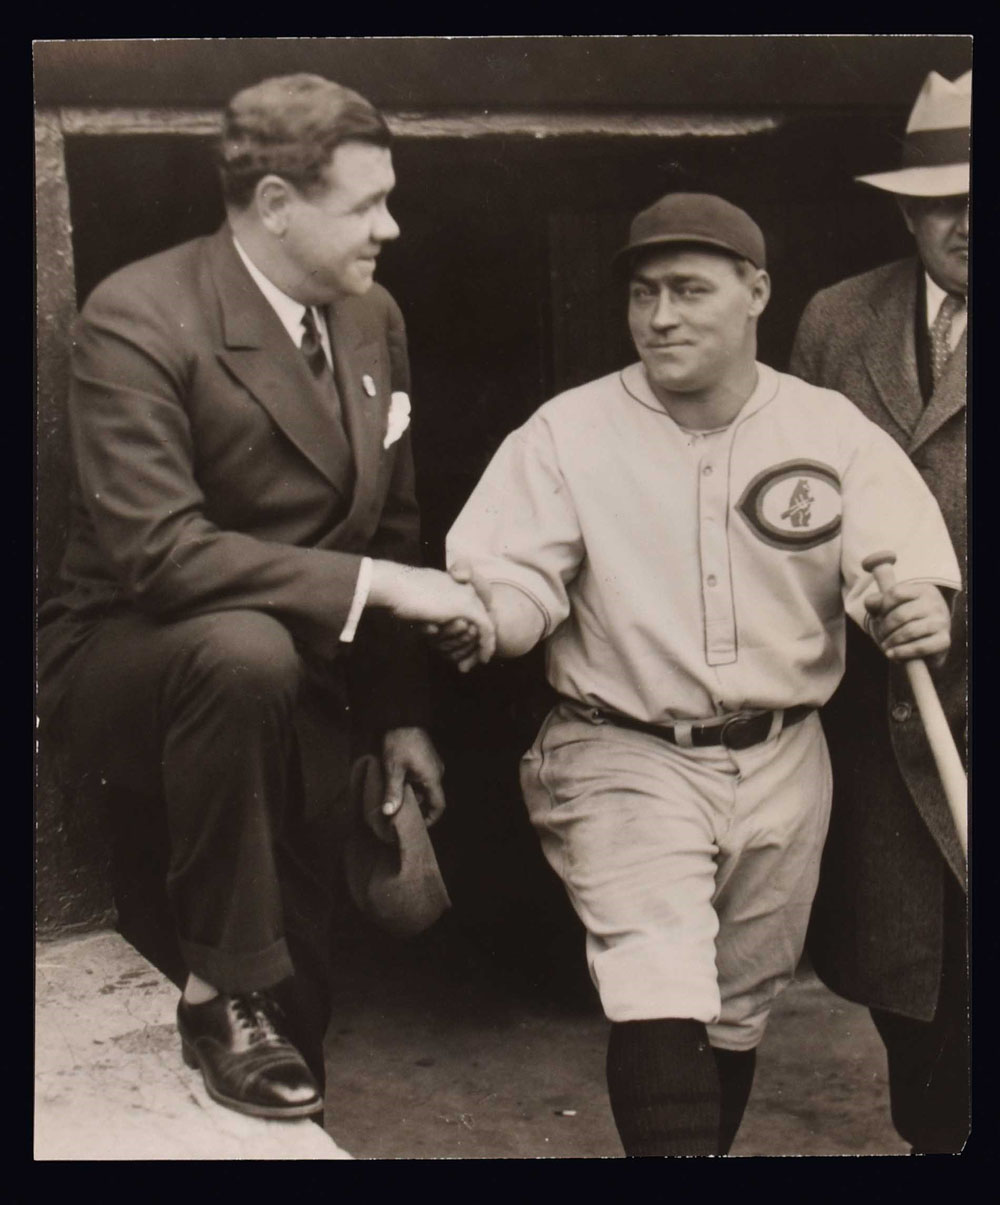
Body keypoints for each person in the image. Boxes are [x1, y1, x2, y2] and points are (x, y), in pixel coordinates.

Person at [438, 192, 960, 1156]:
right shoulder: (569, 430)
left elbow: (904, 563)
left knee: (734, 1005)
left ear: (756, 291)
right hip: (621, 746)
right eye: (643, 294)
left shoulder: (828, 427)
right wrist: (491, 620)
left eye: (688, 290)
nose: (660, 316)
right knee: (658, 976)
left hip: (782, 761)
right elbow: (513, 581)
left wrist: (920, 601)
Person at [36, 74, 495, 1122]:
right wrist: (386, 587)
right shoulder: (138, 315)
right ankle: (220, 989)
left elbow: (387, 524)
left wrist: (399, 712)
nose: (391, 225)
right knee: (243, 653)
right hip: (139, 668)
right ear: (277, 204)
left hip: (299, 688)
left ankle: (267, 1026)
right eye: (365, 203)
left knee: (304, 1007)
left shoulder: (370, 314)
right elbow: (158, 554)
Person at [789, 70, 969, 1153]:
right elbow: (786, 500)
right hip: (883, 727)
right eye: (944, 200)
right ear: (905, 209)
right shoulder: (835, 319)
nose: (969, 224)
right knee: (917, 1011)